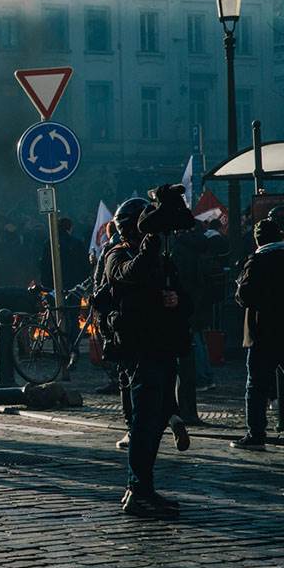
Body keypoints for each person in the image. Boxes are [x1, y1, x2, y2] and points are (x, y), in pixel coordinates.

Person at [103, 195, 190, 517]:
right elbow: (129, 273)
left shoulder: (161, 258)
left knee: (155, 422)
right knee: (143, 422)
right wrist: (150, 242)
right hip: (138, 349)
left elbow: (186, 297)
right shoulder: (116, 255)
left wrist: (175, 299)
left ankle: (144, 488)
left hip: (163, 345)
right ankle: (137, 490)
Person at [231, 220, 284, 450]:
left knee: (256, 386)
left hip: (263, 332)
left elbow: (244, 296)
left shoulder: (257, 261)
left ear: (258, 240)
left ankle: (256, 435)